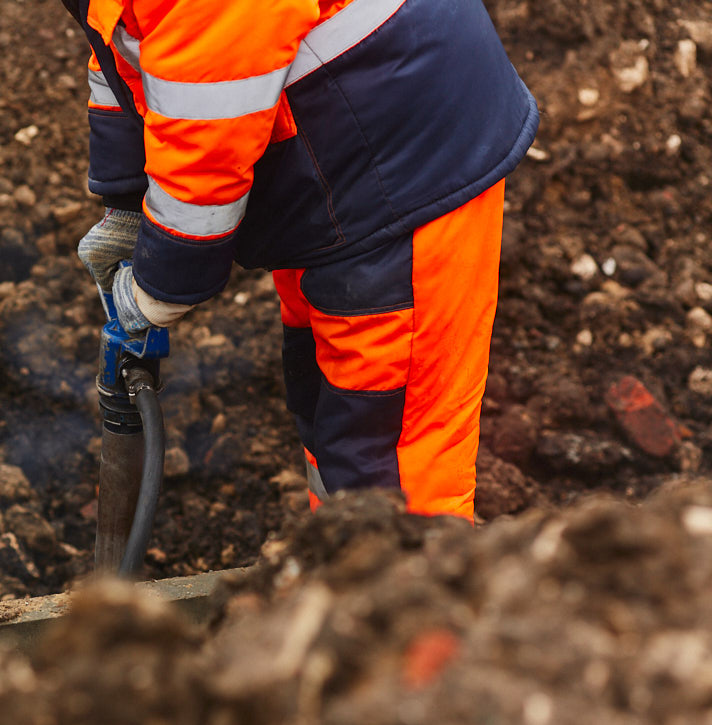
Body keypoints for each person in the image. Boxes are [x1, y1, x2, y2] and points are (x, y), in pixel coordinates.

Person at [62, 0, 538, 521]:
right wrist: (129, 201)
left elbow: (209, 118)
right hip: (330, 172)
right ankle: (341, 569)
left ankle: (406, 591)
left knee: (390, 458)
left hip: (399, 173)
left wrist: (161, 283)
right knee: (335, 411)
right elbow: (127, 48)